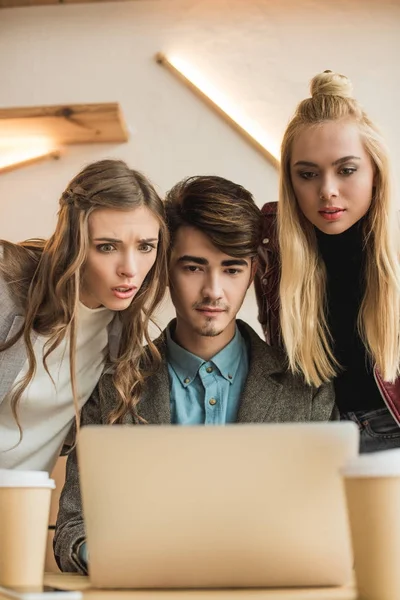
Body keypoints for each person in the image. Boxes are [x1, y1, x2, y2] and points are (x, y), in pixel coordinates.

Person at [54, 174, 335, 574]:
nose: (213, 291)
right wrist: (113, 555)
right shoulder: (115, 385)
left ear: (253, 271)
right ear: (166, 268)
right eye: (193, 267)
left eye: (232, 269)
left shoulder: (306, 391)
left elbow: (327, 526)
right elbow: (72, 530)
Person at [255, 70, 400, 453]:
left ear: (375, 173)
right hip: (315, 434)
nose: (327, 191)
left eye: (347, 170)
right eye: (308, 174)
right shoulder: (270, 239)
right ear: (290, 180)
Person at [0, 159, 169, 472]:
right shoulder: (6, 288)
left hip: (23, 509)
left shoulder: (124, 335)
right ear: (72, 242)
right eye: (107, 247)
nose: (130, 269)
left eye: (145, 247)